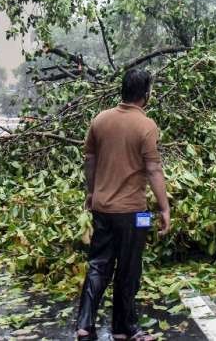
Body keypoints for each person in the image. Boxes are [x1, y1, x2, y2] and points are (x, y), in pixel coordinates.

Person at [76, 68, 170, 341]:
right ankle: (125, 328)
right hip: (135, 212)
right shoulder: (147, 126)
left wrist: (91, 193)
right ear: (146, 94)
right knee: (129, 268)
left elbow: (89, 160)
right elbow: (153, 170)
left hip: (102, 208)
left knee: (98, 265)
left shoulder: (100, 120)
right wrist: (164, 208)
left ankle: (84, 324)